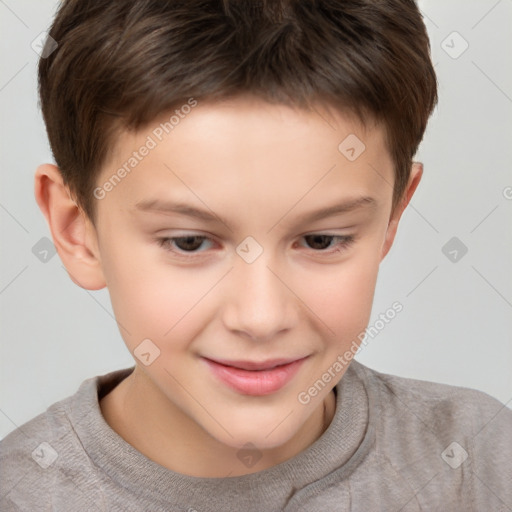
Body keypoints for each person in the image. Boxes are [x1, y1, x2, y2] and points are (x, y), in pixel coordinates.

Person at [1, 0, 511, 510]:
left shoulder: (482, 461)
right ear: (77, 230)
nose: (261, 318)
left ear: (392, 218)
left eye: (321, 240)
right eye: (190, 242)